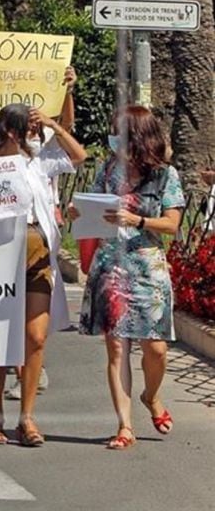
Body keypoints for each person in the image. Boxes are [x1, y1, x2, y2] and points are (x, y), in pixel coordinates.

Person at [0, 104, 86, 447]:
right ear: (11, 131)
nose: (36, 134)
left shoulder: (39, 161)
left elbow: (79, 156)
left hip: (37, 256)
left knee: (35, 337)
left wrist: (55, 124)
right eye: (30, 128)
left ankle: (27, 417)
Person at [74, 107, 185, 450]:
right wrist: (84, 213)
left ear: (138, 137)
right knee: (117, 350)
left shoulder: (165, 176)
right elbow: (89, 204)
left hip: (147, 267)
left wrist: (136, 219)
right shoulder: (108, 169)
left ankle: (151, 396)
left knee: (156, 349)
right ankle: (124, 427)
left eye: (119, 133)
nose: (113, 139)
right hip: (111, 266)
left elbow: (172, 224)